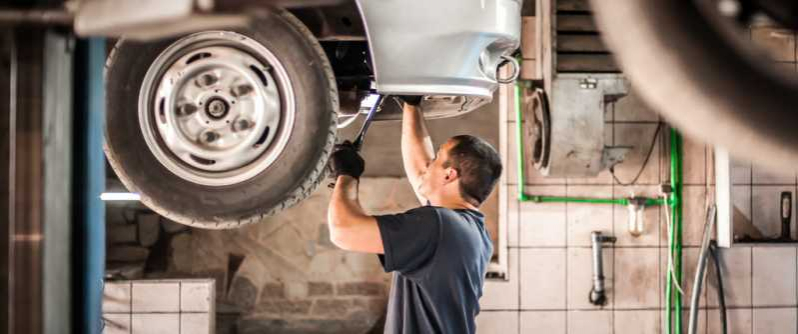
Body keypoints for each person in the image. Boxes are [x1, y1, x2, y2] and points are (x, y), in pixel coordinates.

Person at [326, 95, 503, 334]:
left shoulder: (439, 226)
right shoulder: (469, 230)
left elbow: (343, 231)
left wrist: (346, 175)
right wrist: (412, 105)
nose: (428, 165)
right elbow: (421, 170)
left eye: (436, 158)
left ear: (449, 175)